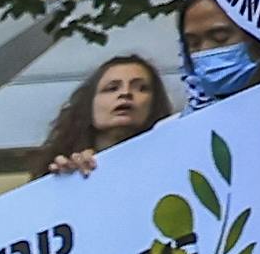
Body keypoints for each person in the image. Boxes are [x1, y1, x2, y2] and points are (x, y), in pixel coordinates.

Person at [39, 54, 175, 176]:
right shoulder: (65, 169)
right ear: (89, 104)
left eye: (141, 88)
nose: (125, 93)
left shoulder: (173, 161)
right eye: (112, 88)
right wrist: (65, 180)